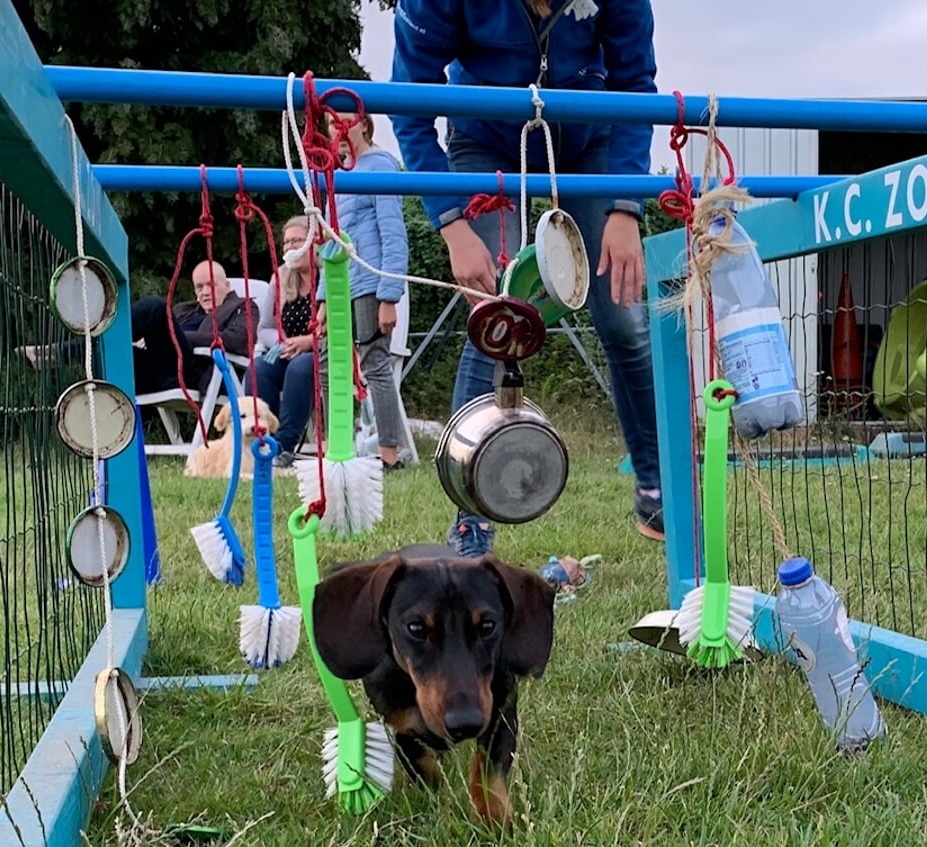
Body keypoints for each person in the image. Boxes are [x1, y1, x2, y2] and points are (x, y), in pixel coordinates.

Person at [388, 0, 664, 555]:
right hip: (485, 140)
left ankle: (659, 489)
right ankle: (470, 515)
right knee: (491, 315)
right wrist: (452, 225)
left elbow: (636, 83)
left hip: (591, 143)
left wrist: (626, 206)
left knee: (626, 318)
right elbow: (408, 102)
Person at [317, 113, 412, 472]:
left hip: (370, 283)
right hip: (342, 285)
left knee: (375, 363)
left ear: (364, 125)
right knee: (328, 363)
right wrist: (324, 299)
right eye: (330, 123)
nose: (338, 129)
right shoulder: (337, 176)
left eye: (346, 121)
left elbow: (393, 234)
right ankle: (338, 448)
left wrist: (389, 296)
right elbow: (331, 243)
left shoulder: (380, 167)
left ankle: (389, 455)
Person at [20, 259, 257, 398]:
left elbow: (237, 340)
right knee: (114, 349)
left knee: (155, 306)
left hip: (194, 374)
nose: (204, 292)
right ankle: (59, 356)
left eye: (211, 285)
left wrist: (179, 335)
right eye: (199, 287)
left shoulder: (243, 307)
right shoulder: (186, 309)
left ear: (227, 285)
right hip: (158, 370)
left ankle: (64, 350)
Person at [248, 216, 319, 468]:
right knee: (258, 370)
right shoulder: (279, 278)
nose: (289, 247)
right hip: (287, 352)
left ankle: (284, 446)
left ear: (313, 242)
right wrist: (284, 342)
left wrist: (307, 342)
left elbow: (340, 329)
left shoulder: (330, 277)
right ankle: (263, 441)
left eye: (296, 240)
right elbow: (264, 328)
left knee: (301, 367)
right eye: (286, 242)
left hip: (324, 354)